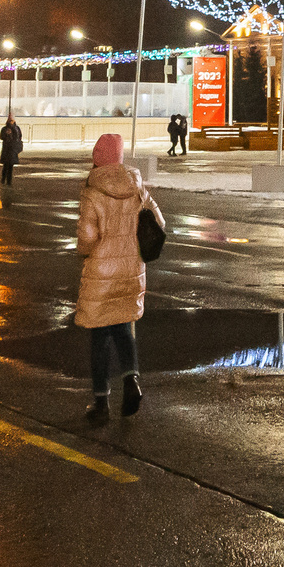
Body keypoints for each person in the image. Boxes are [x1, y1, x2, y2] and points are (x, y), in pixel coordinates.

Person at [74, 133, 162, 426]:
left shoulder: (92, 190)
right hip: (130, 270)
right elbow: (159, 223)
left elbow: (87, 236)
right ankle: (132, 381)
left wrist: (83, 252)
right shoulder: (137, 187)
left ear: (97, 157)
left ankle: (101, 403)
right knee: (124, 329)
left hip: (101, 272)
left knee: (100, 337)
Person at [0, 115, 23, 187]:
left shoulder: (16, 128)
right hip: (6, 149)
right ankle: (3, 179)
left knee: (11, 166)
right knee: (6, 165)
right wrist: (6, 134)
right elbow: (1, 137)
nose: (11, 122)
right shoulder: (5, 129)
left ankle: (9, 181)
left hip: (13, 149)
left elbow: (19, 137)